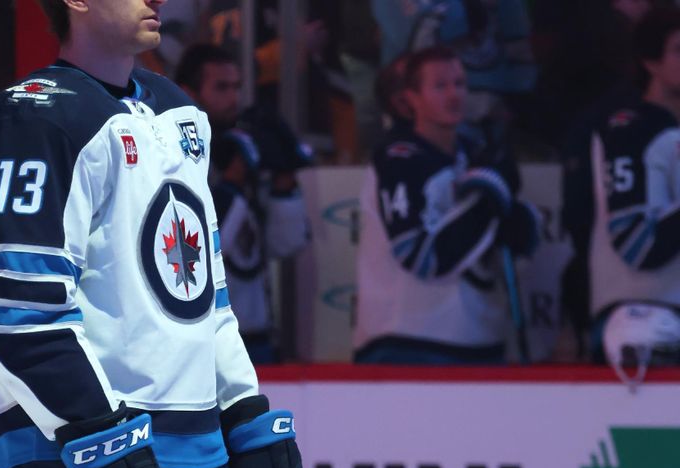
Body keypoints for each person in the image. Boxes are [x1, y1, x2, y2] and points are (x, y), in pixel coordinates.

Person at [0, 1, 305, 468]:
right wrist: (93, 431)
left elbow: (205, 294)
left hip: (197, 457)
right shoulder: (34, 116)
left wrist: (244, 409)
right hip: (75, 456)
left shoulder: (176, 111)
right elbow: (19, 312)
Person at [353, 45, 539, 364]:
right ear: (410, 98)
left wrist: (518, 221)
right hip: (409, 341)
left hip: (480, 340)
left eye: (460, 84)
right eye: (440, 85)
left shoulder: (474, 157)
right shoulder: (398, 159)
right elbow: (423, 257)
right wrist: (489, 196)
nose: (454, 95)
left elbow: (516, 247)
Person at [175, 43, 309, 363]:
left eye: (237, 87)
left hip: (258, 336)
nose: (234, 98)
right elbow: (196, 252)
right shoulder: (171, 155)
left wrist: (283, 179)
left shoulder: (245, 147)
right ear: (188, 92)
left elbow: (285, 245)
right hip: (203, 339)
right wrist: (233, 181)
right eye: (221, 87)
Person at [585, 5, 680, 384]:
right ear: (649, 62)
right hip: (634, 317)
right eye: (678, 49)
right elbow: (639, 243)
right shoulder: (627, 126)